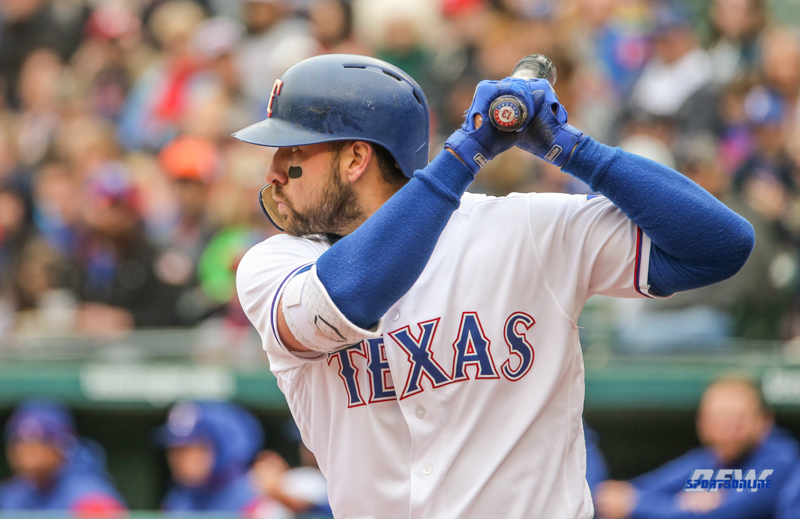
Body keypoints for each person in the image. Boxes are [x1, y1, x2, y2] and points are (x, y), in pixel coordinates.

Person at [234, 54, 754, 518]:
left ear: (355, 159)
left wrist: (575, 150)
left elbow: (719, 246)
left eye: (291, 151)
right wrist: (466, 154)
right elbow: (352, 294)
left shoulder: (522, 228)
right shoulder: (274, 264)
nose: (273, 171)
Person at [594, 378, 799, 519]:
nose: (727, 431)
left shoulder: (780, 458)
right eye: (718, 420)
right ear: (702, 424)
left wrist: (649, 505)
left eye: (737, 421)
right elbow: (626, 494)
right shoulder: (713, 459)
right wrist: (680, 504)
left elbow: (723, 513)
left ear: (764, 421)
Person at [0, 400, 125, 514]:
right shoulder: (14, 493)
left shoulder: (90, 495)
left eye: (40, 440)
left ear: (61, 446)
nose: (26, 450)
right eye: (18, 440)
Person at [157, 400, 265, 513]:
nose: (178, 460)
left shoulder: (255, 496)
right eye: (174, 449)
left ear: (220, 449)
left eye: (188, 449)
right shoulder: (177, 500)